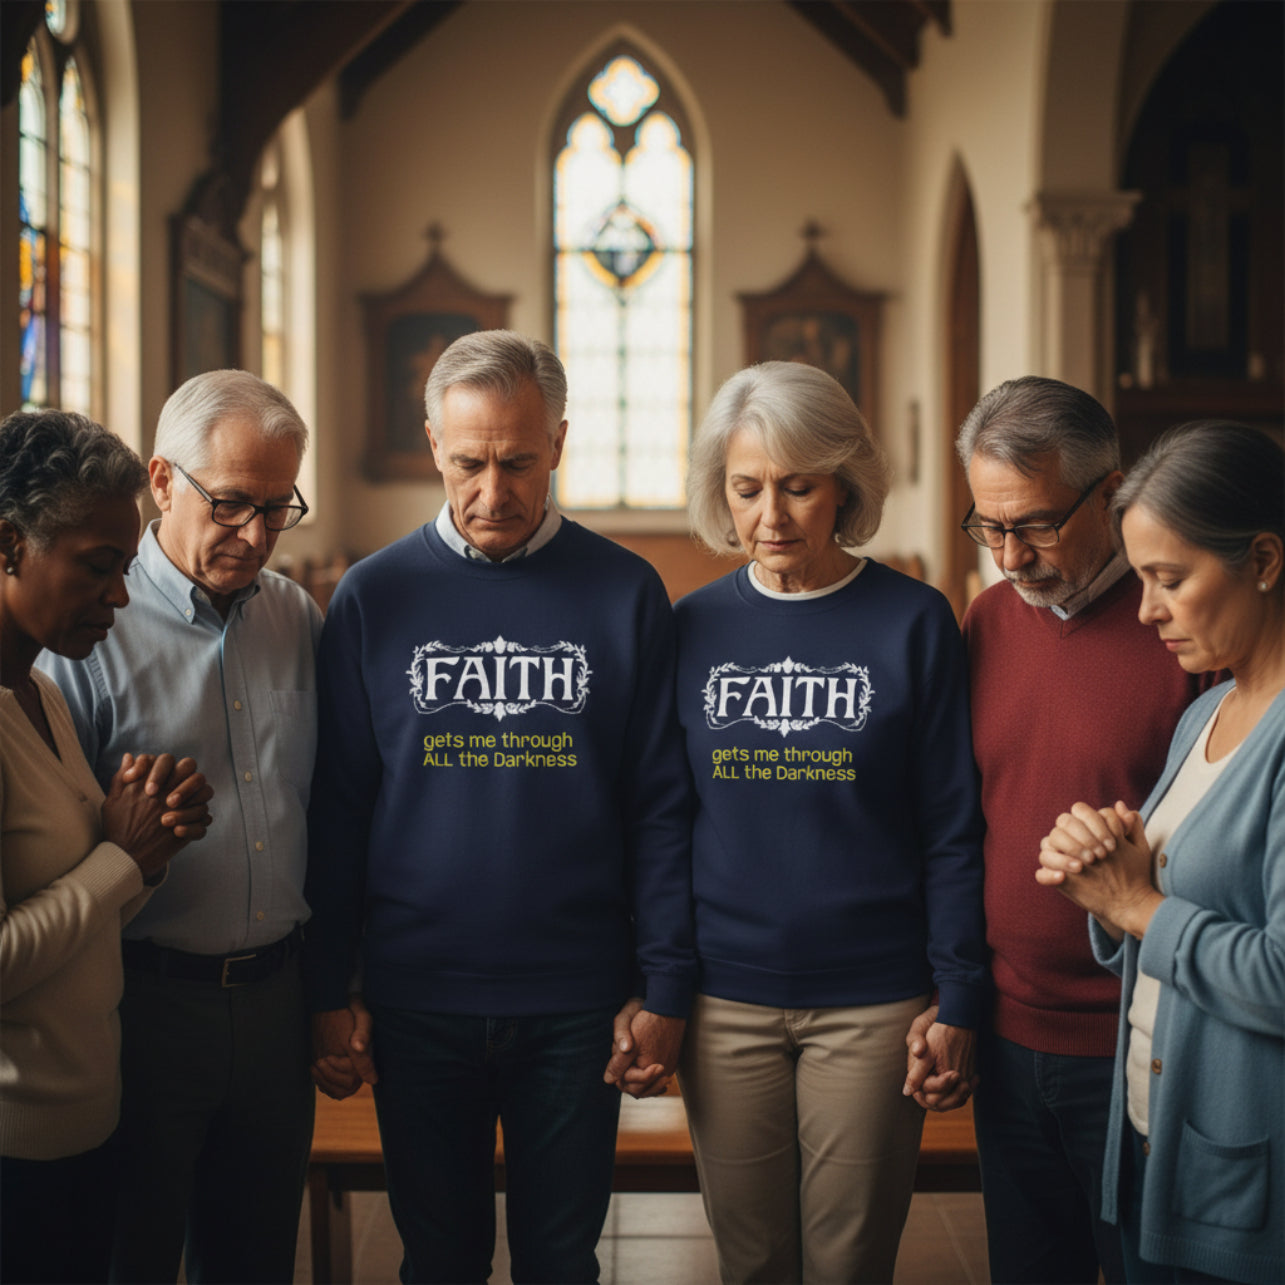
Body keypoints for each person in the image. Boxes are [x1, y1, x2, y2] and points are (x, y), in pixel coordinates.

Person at [303, 330, 695, 1284]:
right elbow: (340, 806)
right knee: (438, 1258)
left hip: (575, 998)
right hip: (415, 995)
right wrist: (325, 987)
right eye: (468, 462)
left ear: (557, 442)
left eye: (518, 462)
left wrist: (664, 987)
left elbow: (658, 806)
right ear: (433, 442)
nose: (491, 491)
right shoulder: (372, 597)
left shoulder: (626, 592)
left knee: (561, 1260)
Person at [672, 361, 986, 1284]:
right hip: (723, 998)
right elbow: (661, 819)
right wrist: (658, 980)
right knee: (751, 1261)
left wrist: (957, 991)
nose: (770, 515)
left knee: (850, 1263)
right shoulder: (689, 628)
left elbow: (950, 824)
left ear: (844, 485)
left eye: (797, 486)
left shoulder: (914, 622)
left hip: (874, 999)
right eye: (746, 488)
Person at [38, 372, 322, 1285]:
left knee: (256, 1261)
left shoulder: (296, 618)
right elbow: (51, 844)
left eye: (277, 509)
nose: (257, 535)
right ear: (162, 481)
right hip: (142, 1001)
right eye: (231, 503)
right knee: (135, 1255)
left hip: (276, 1004)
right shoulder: (87, 631)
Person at [937, 376, 1212, 1285]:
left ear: (1112, 492)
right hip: (1008, 1034)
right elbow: (961, 822)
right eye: (988, 526)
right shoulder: (985, 620)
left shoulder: (1182, 628)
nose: (1009, 556)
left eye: (1035, 525)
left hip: (1138, 1038)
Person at [1038, 422, 1284, 1285]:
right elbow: (1158, 919)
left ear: (1263, 559)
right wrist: (1105, 874)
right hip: (1155, 1138)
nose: (1145, 610)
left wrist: (1135, 903)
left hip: (1243, 1175)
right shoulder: (1203, 713)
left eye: (1168, 579)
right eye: (1140, 578)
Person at [0, 410, 212, 1285]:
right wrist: (120, 858)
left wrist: (150, 844)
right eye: (98, 565)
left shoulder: (38, 693)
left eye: (126, 568)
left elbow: (85, 910)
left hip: (84, 1127)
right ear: (9, 544)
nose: (120, 597)